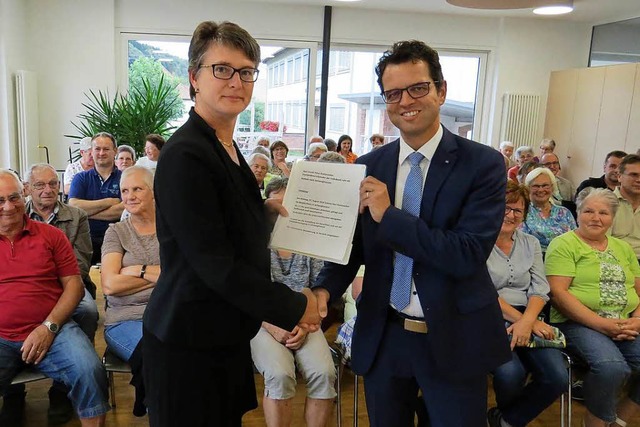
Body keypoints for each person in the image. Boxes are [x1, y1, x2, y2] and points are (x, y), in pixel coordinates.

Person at [313, 39, 510, 426]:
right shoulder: (368, 166)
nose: (405, 101)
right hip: (385, 335)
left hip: (454, 335)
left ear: (441, 91)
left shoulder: (483, 165)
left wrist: (390, 215)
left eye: (417, 88)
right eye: (393, 93)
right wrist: (322, 290)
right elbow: (350, 250)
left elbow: (465, 253)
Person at [142, 21, 320, 427]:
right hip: (188, 341)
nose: (235, 80)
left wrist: (263, 211)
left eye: (246, 71)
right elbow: (214, 262)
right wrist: (295, 305)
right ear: (194, 78)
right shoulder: (187, 153)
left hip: (221, 332)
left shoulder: (226, 146)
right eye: (221, 69)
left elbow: (222, 222)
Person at [0, 169, 110, 427]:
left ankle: (64, 399)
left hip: (53, 328)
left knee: (89, 370)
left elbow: (74, 284)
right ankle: (13, 399)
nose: (8, 206)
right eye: (0, 200)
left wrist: (48, 328)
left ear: (23, 193)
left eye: (14, 197)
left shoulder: (51, 235)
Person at [546, 187, 640, 427]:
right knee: (611, 368)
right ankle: (594, 423)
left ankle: (620, 418)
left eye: (603, 213)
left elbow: (639, 291)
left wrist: (637, 319)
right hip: (577, 322)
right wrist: (603, 325)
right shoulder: (564, 244)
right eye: (588, 211)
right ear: (577, 213)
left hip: (624, 321)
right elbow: (558, 294)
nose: (595, 218)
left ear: (612, 218)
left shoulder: (623, 248)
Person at [250, 177, 336, 427]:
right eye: (278, 203)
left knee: (324, 373)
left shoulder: (308, 242)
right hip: (264, 322)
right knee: (279, 375)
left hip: (305, 321)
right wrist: (273, 324)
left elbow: (320, 286)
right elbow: (249, 293)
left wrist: (307, 323)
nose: (283, 210)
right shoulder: (255, 245)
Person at [486, 180, 568, 427]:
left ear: (524, 215)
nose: (510, 214)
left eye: (517, 210)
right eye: (504, 207)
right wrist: (522, 322)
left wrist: (528, 320)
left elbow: (540, 288)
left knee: (557, 377)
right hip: (489, 318)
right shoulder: (477, 241)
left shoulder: (530, 243)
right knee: (511, 374)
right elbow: (482, 292)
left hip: (530, 316)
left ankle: (505, 421)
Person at [101, 166, 158, 417]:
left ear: (154, 192)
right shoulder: (116, 232)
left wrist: (138, 270)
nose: (130, 196)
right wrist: (162, 275)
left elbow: (186, 276)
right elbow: (110, 285)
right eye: (125, 190)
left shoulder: (173, 228)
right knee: (159, 355)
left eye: (137, 189)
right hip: (125, 320)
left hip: (170, 313)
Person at [68, 132, 124, 265]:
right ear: (91, 151)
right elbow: (73, 207)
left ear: (115, 151)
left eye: (106, 149)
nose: (101, 153)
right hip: (86, 240)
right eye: (97, 149)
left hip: (119, 240)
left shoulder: (125, 177)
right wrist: (110, 201)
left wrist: (87, 213)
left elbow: (123, 209)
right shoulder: (80, 178)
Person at [522, 168, 576, 253]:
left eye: (545, 185)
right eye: (536, 186)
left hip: (563, 258)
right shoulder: (522, 212)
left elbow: (575, 240)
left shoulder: (565, 213)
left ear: (552, 187)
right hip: (532, 259)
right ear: (528, 188)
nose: (541, 190)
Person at [611, 154, 640, 262]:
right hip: (614, 260)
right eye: (634, 175)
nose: (639, 180)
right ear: (619, 176)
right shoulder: (605, 203)